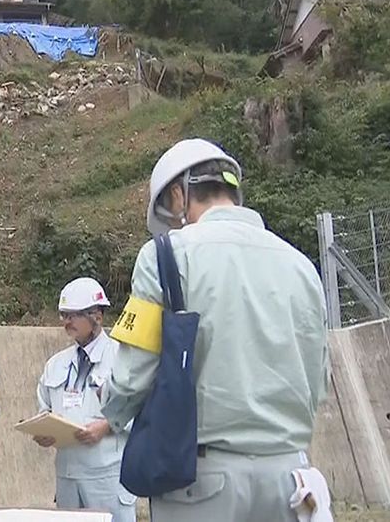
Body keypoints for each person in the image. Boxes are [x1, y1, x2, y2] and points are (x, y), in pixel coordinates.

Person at [102, 138, 329, 522]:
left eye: (172, 213)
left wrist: (112, 406)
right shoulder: (301, 264)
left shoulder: (165, 254)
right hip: (291, 480)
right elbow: (319, 381)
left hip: (204, 482)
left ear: (178, 195)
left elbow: (133, 372)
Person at [32, 278, 136, 522]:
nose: (66, 322)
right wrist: (44, 431)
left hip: (107, 476)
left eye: (73, 316)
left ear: (97, 316)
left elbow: (141, 409)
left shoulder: (122, 358)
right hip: (67, 476)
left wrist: (106, 426)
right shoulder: (56, 363)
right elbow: (44, 408)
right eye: (63, 315)